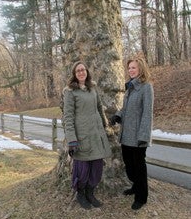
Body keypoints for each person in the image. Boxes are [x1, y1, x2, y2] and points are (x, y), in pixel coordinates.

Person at [62, 61, 112, 210]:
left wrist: (105, 124)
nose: (81, 72)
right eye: (78, 71)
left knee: (96, 169)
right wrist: (72, 140)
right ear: (74, 74)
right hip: (81, 136)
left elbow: (99, 108)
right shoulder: (70, 92)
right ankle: (81, 194)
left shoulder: (92, 88)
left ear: (87, 72)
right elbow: (68, 117)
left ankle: (90, 193)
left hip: (96, 135)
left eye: (83, 69)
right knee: (82, 170)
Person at [110, 57, 154, 211]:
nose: (131, 70)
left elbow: (147, 114)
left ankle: (141, 197)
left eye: (134, 67)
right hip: (126, 135)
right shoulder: (130, 88)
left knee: (139, 168)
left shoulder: (146, 87)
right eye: (129, 68)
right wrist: (117, 115)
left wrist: (143, 137)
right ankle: (136, 187)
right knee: (129, 167)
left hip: (138, 137)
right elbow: (125, 109)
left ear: (141, 68)